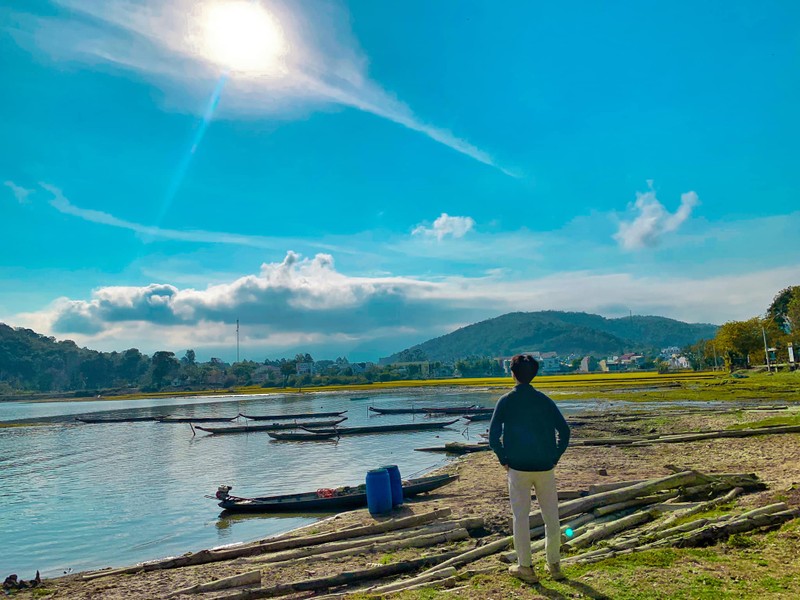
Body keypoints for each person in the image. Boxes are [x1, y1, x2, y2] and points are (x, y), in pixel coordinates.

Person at [489, 354, 571, 583]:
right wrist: (554, 456)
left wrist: (502, 458)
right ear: (534, 374)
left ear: (512, 373)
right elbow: (564, 432)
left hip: (518, 468)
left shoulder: (505, 401)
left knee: (521, 518)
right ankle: (554, 565)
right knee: (551, 517)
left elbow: (493, 436)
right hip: (545, 467)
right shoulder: (544, 400)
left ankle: (526, 567)